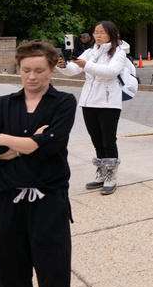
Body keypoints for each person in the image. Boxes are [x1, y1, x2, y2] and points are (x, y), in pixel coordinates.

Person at [0, 40, 77, 287]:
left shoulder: (63, 103)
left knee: (53, 275)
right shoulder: (3, 104)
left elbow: (50, 145)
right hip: (6, 200)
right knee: (7, 271)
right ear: (18, 70)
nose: (32, 76)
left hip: (48, 200)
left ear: (51, 69)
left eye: (39, 70)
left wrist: (14, 143)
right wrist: (30, 140)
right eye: (26, 70)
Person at [55, 20, 130, 195]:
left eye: (101, 32)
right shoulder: (90, 52)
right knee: (96, 139)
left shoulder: (119, 53)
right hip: (88, 101)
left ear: (111, 34)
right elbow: (74, 69)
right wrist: (63, 66)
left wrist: (85, 65)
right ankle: (102, 173)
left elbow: (111, 72)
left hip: (108, 102)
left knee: (108, 140)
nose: (97, 35)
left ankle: (111, 175)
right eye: (95, 32)